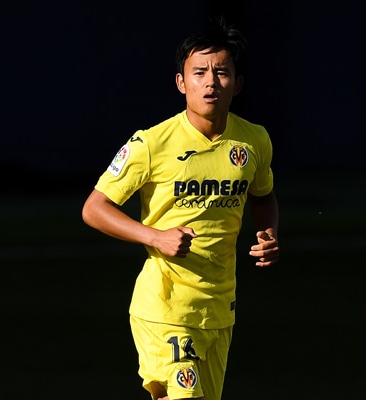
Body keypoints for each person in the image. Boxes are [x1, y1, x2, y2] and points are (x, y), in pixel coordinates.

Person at [81, 18, 279, 400]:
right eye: (199, 72)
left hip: (219, 309)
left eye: (221, 72)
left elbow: (263, 195)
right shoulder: (151, 143)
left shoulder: (254, 141)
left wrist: (268, 232)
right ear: (181, 83)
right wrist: (156, 237)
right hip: (164, 308)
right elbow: (94, 208)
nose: (210, 82)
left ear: (238, 84)